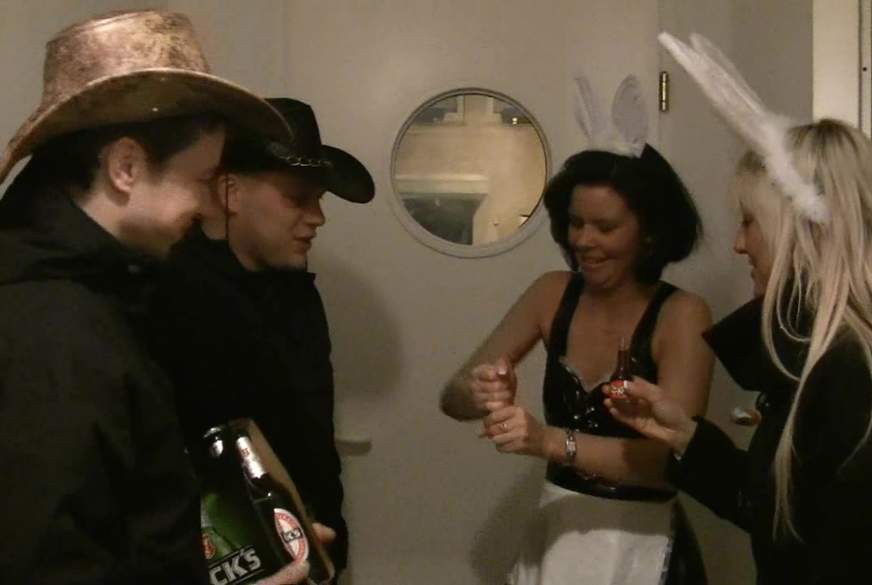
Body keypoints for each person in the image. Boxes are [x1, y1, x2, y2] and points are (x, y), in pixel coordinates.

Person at [0, 9, 313, 584]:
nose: (209, 205)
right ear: (126, 166)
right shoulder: (51, 329)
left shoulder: (99, 288)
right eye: (203, 179)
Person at [607, 46, 872, 585]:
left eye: (750, 222)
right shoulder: (815, 359)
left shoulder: (849, 371)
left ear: (802, 230)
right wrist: (685, 436)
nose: (739, 244)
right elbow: (779, 518)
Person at [441, 142, 712, 584]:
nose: (583, 240)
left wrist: (549, 441)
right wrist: (478, 391)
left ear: (649, 233)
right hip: (558, 531)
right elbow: (451, 398)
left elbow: (671, 462)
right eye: (575, 223)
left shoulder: (682, 314)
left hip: (642, 543)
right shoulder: (551, 293)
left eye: (605, 227)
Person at [148, 97, 375, 577]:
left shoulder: (295, 293)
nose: (317, 217)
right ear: (231, 191)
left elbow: (310, 438)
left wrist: (328, 546)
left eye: (319, 199)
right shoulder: (174, 297)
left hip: (311, 549)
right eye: (298, 198)